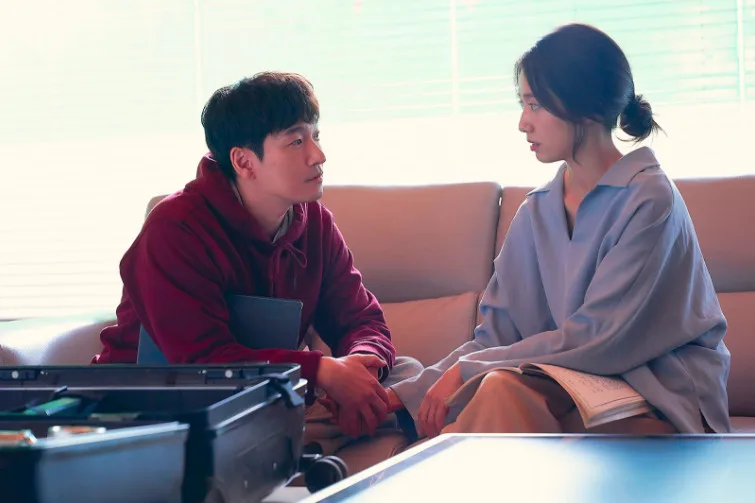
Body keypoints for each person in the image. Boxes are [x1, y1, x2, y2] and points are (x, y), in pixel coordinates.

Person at [386, 23, 731, 437]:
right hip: (576, 388)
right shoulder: (537, 211)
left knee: (498, 391)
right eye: (523, 104)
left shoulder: (650, 200)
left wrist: (466, 371)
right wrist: (406, 393)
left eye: (535, 105)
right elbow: (496, 337)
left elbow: (600, 339)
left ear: (585, 107)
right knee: (499, 391)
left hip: (661, 398)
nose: (523, 123)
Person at [93, 72, 420, 442]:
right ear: (244, 162)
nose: (318, 155)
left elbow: (360, 320)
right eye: (296, 141)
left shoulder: (315, 223)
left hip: (269, 397)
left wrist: (363, 367)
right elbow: (202, 363)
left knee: (408, 373)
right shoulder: (176, 228)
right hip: (162, 407)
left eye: (316, 136)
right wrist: (323, 372)